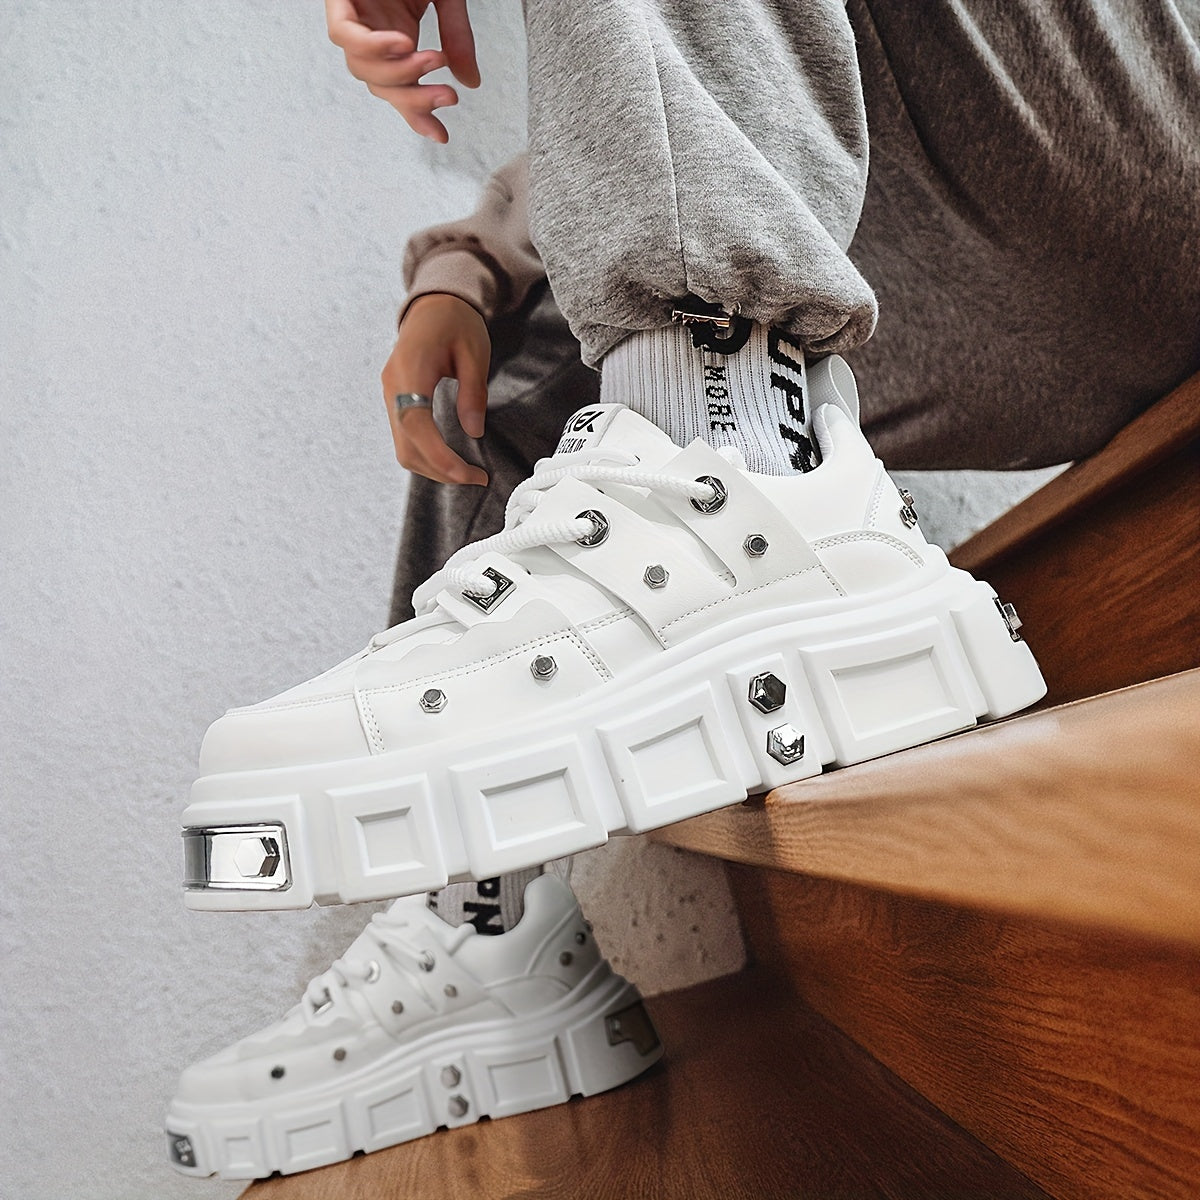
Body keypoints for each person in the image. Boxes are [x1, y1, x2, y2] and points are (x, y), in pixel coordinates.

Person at [169, 0, 1200, 1179]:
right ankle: (488, 926)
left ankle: (740, 454)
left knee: (630, 296)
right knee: (501, 371)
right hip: (997, 265)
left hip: (1140, 170)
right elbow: (694, 107)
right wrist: (468, 270)